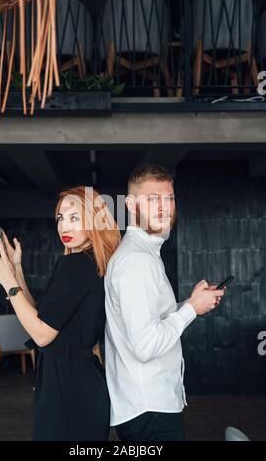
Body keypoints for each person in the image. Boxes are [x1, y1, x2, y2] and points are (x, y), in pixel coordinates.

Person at [104, 163, 225, 441]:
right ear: (132, 205)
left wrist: (192, 303)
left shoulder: (144, 253)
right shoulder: (137, 260)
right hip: (149, 411)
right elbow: (146, 346)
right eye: (153, 199)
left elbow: (151, 322)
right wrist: (192, 309)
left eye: (169, 198)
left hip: (149, 407)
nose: (164, 207)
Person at [0, 186, 121, 441]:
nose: (64, 227)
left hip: (67, 390)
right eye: (61, 218)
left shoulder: (73, 265)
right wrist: (16, 269)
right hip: (81, 384)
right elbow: (42, 317)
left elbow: (42, 336)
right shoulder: (92, 263)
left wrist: (8, 283)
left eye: (75, 217)